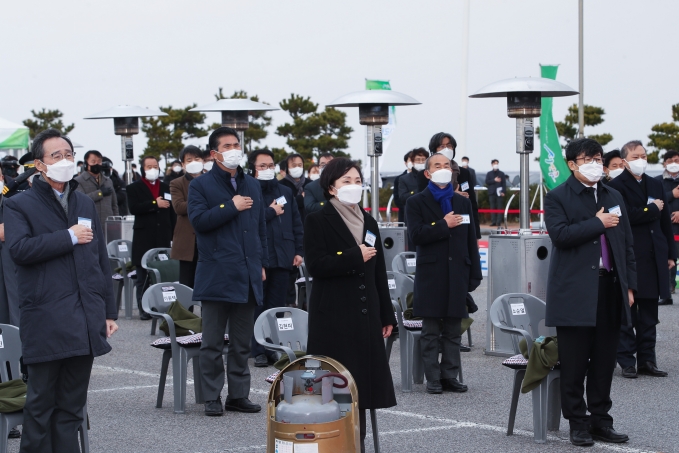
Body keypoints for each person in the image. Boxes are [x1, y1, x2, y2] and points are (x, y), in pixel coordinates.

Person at [4, 128, 118, 452]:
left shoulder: (82, 199)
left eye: (69, 154)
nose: (65, 161)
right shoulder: (19, 204)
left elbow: (99, 259)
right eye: (57, 156)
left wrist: (108, 311)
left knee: (71, 408)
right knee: (39, 407)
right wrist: (67, 236)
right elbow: (19, 250)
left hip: (84, 319)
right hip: (46, 319)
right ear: (39, 165)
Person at [544, 138, 635, 446]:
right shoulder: (558, 196)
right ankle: (578, 423)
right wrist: (597, 223)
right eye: (588, 159)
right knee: (575, 361)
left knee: (604, 360)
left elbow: (626, 244)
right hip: (574, 290)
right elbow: (560, 236)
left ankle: (601, 420)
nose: (596, 163)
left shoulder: (613, 194)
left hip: (609, 286)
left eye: (598, 157)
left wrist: (630, 285)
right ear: (572, 164)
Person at [304, 157, 396, 452]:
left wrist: (386, 313)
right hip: (333, 316)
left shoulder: (368, 220)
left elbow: (378, 270)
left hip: (365, 314)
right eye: (346, 181)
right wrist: (354, 256)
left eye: (357, 181)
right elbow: (316, 266)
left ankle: (358, 442)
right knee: (334, 384)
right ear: (331, 187)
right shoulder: (317, 218)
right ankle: (332, 442)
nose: (353, 186)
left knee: (363, 387)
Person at [188, 126, 267, 416]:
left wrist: (261, 264)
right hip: (217, 273)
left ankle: (238, 395)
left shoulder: (252, 184)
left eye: (237, 144)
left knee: (241, 342)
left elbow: (261, 228)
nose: (234, 149)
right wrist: (229, 206)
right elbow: (199, 222)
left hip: (247, 273)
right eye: (227, 145)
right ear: (214, 153)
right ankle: (211, 395)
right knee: (211, 342)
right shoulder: (201, 185)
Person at [405, 153, 481, 395]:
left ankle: (450, 375)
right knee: (430, 330)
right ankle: (433, 377)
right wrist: (442, 225)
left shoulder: (463, 202)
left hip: (458, 270)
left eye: (446, 165)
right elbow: (415, 236)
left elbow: (471, 239)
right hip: (431, 273)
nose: (443, 168)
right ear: (427, 173)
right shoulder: (416, 202)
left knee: (453, 328)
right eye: (437, 165)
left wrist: (474, 273)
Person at [607, 140, 674, 379]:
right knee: (628, 311)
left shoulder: (655, 183)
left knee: (649, 313)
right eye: (636, 156)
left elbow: (665, 220)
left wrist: (670, 254)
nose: (641, 160)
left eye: (643, 155)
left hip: (655, 254)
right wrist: (651, 209)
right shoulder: (615, 187)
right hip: (631, 255)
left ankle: (648, 359)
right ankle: (627, 360)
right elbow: (624, 217)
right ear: (624, 161)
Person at [247, 149, 304, 367]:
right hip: (260, 257)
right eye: (262, 166)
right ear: (253, 169)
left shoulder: (285, 191)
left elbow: (296, 222)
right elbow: (250, 222)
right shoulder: (248, 191)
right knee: (258, 305)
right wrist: (270, 211)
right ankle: (258, 349)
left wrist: (299, 250)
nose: (267, 170)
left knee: (276, 305)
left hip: (283, 255)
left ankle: (273, 347)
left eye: (270, 165)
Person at [127, 155, 175, 320]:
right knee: (143, 275)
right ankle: (143, 308)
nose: (153, 169)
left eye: (155, 165)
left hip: (162, 235)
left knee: (162, 274)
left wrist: (173, 234)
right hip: (143, 237)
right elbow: (133, 208)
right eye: (149, 166)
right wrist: (155, 204)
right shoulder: (134, 188)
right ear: (142, 168)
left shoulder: (166, 187)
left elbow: (172, 212)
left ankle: (162, 306)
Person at [428, 133, 481, 239]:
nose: (446, 149)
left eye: (449, 146)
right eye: (442, 146)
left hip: (461, 226)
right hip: (436, 227)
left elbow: (472, 205)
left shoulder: (464, 173)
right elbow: (424, 199)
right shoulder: (426, 174)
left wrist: (476, 235)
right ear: (434, 150)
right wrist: (453, 195)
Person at [170, 146, 204, 288]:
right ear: (183, 164)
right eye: (189, 160)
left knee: (207, 285)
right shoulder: (177, 183)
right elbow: (179, 207)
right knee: (186, 285)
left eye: (197, 159)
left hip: (207, 239)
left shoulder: (212, 180)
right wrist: (201, 201)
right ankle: (186, 311)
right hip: (187, 241)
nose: (194, 162)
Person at [75, 150, 119, 228]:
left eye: (99, 161)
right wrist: (100, 193)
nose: (96, 164)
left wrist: (116, 220)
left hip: (108, 224)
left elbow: (114, 205)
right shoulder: (78, 181)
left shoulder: (108, 181)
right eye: (93, 161)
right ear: (86, 164)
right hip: (88, 224)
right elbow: (81, 201)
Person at [656, 149, 679, 303]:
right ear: (664, 163)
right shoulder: (657, 181)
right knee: (668, 256)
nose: (673, 164)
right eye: (670, 161)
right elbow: (656, 202)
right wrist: (672, 194)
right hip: (666, 226)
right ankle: (667, 292)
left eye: (677, 160)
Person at [279, 153, 308, 220]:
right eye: (294, 165)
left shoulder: (309, 183)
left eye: (300, 165)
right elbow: (281, 204)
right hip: (288, 221)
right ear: (287, 167)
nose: (297, 168)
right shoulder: (280, 185)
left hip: (308, 222)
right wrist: (300, 198)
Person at [393, 151, 412, 223]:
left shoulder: (424, 177)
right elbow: (397, 199)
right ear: (405, 162)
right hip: (404, 215)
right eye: (410, 160)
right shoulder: (399, 178)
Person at [485, 159, 506, 227]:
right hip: (491, 192)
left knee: (499, 207)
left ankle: (498, 222)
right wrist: (494, 180)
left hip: (499, 193)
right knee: (492, 207)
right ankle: (493, 221)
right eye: (494, 163)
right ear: (492, 164)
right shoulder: (489, 173)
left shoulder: (501, 173)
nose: (495, 165)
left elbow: (504, 184)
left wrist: (503, 192)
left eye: (496, 163)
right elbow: (487, 182)